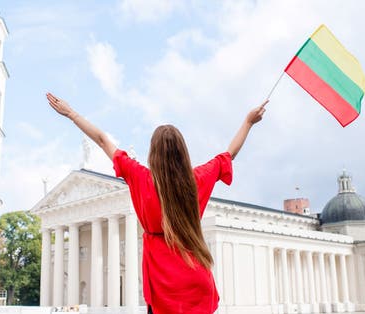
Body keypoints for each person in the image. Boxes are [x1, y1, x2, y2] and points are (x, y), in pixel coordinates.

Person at [46, 92, 267, 314]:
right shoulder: (196, 180)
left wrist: (71, 114)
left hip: (162, 289)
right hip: (197, 282)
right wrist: (248, 122)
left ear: (153, 153)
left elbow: (103, 140)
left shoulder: (141, 178)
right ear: (183, 152)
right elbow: (229, 155)